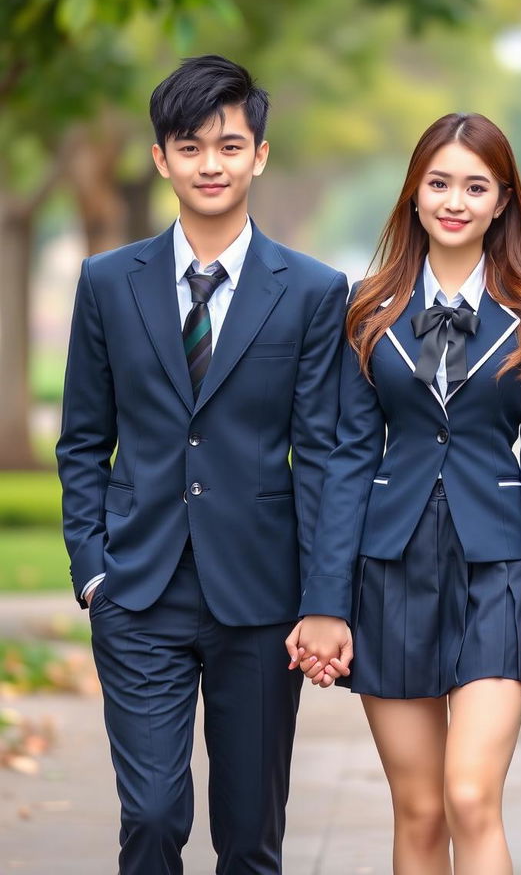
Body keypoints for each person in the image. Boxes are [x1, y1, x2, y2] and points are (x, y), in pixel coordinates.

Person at [56, 54, 347, 875]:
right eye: (189, 147)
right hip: (138, 592)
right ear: (160, 159)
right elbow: (82, 439)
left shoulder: (315, 291)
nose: (209, 164)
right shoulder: (108, 282)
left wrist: (324, 599)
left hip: (260, 598)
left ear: (259, 154)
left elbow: (323, 453)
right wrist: (92, 571)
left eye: (228, 145)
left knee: (250, 838)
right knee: (149, 818)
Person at [286, 112, 521, 874]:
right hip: (391, 570)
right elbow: (349, 456)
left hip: (500, 571)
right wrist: (325, 602)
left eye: (475, 186)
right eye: (439, 182)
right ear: (414, 194)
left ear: (502, 200)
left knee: (471, 796)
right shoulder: (368, 306)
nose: (455, 200)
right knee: (418, 812)